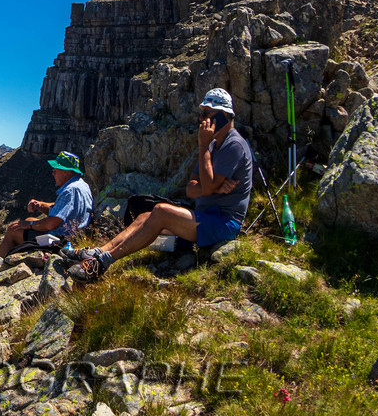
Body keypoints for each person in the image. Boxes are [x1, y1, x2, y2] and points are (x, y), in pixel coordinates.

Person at [66, 88, 253, 282]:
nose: (201, 119)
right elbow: (192, 187)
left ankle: (102, 263)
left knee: (162, 211)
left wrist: (204, 150)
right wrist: (212, 186)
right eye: (201, 113)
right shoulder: (214, 145)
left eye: (207, 113)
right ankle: (98, 252)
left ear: (223, 115)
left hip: (223, 223)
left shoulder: (233, 145)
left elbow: (204, 188)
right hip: (205, 215)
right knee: (145, 216)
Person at [0, 151, 93, 253]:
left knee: (12, 230)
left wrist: (29, 224)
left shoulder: (69, 191)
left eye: (55, 170)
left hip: (60, 241)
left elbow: (50, 224)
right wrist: (40, 205)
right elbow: (61, 209)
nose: (53, 173)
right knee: (29, 219)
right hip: (76, 236)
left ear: (65, 171)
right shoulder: (82, 185)